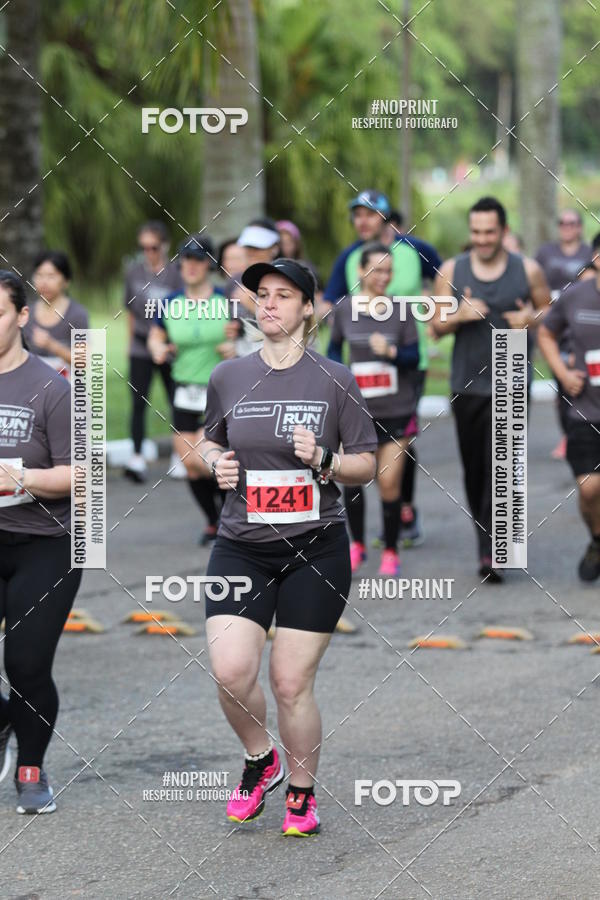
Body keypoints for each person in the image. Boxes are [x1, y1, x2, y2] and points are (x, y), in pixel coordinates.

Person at [198, 258, 377, 836]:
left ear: (307, 308)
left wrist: (325, 460)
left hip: (315, 549)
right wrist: (215, 463)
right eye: (262, 293)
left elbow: (367, 464)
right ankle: (261, 757)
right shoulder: (228, 376)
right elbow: (207, 441)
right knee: (230, 671)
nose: (269, 302)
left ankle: (302, 793)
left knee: (290, 683)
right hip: (241, 545)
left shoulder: (334, 379)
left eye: (283, 294)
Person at [432, 196, 550, 582]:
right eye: (476, 232)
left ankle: (494, 552)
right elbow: (435, 325)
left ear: (503, 231)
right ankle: (488, 543)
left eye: (489, 232)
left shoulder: (527, 269)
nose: (482, 239)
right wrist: (460, 314)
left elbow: (549, 311)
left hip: (511, 374)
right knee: (475, 470)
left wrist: (530, 318)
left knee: (503, 468)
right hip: (467, 383)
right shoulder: (453, 269)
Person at [0, 270, 82, 814]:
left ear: (22, 316)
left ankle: (31, 767)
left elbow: (81, 475)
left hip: (45, 542)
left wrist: (19, 477)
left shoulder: (53, 388)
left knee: (25, 663)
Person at [327, 242, 419, 575]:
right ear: (360, 271)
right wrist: (340, 376)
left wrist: (392, 353)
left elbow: (414, 358)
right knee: (352, 481)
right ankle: (357, 546)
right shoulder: (344, 309)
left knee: (389, 482)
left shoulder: (401, 309)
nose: (384, 277)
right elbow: (333, 350)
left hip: (396, 411)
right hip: (355, 412)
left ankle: (391, 550)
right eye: (377, 270)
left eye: (388, 271)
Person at [148, 235, 236, 545]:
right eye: (186, 259)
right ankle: (213, 521)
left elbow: (250, 334)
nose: (191, 265)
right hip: (184, 389)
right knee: (190, 464)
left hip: (219, 392)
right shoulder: (170, 303)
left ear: (210, 265)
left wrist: (235, 345)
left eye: (198, 260)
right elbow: (156, 335)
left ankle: (229, 520)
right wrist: (158, 348)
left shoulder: (226, 301)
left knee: (207, 458)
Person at [538, 239, 600, 581]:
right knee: (589, 488)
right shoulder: (575, 296)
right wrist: (563, 373)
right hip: (586, 412)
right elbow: (547, 334)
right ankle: (597, 539)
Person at [123, 220, 183, 483]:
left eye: (153, 247)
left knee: (176, 400)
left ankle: (180, 454)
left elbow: (184, 309)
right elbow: (130, 311)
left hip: (169, 345)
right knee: (138, 402)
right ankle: (136, 456)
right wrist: (129, 343)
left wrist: (176, 342)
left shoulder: (176, 274)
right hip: (140, 345)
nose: (148, 252)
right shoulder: (134, 273)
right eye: (144, 247)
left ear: (165, 246)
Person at [536, 210, 593, 461]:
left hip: (585, 331)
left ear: (580, 227)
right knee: (564, 387)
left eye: (572, 223)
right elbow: (536, 288)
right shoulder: (545, 254)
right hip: (558, 329)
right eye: (562, 223)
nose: (567, 227)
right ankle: (570, 436)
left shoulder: (588, 254)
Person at [24, 250, 88, 378]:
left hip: (66, 385)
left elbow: (83, 361)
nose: (44, 282)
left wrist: (51, 345)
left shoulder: (77, 315)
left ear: (66, 281)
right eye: (39, 275)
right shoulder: (26, 314)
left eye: (51, 276)